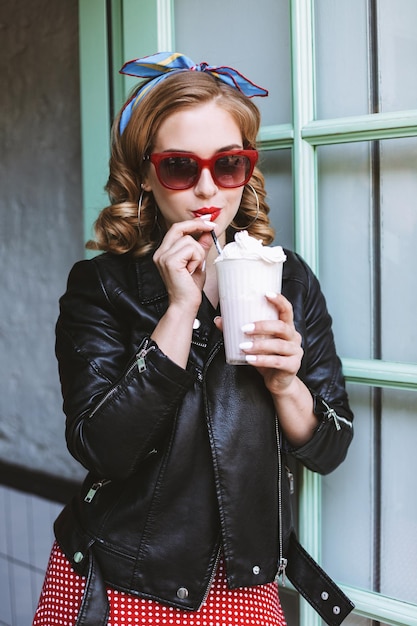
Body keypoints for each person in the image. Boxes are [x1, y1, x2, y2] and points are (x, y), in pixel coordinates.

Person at [33, 52, 354, 626]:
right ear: (144, 176)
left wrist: (285, 384)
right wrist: (180, 310)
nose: (207, 186)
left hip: (245, 587)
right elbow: (100, 448)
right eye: (180, 166)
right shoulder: (101, 287)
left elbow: (331, 445)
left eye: (228, 164)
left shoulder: (290, 278)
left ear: (247, 170)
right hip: (122, 581)